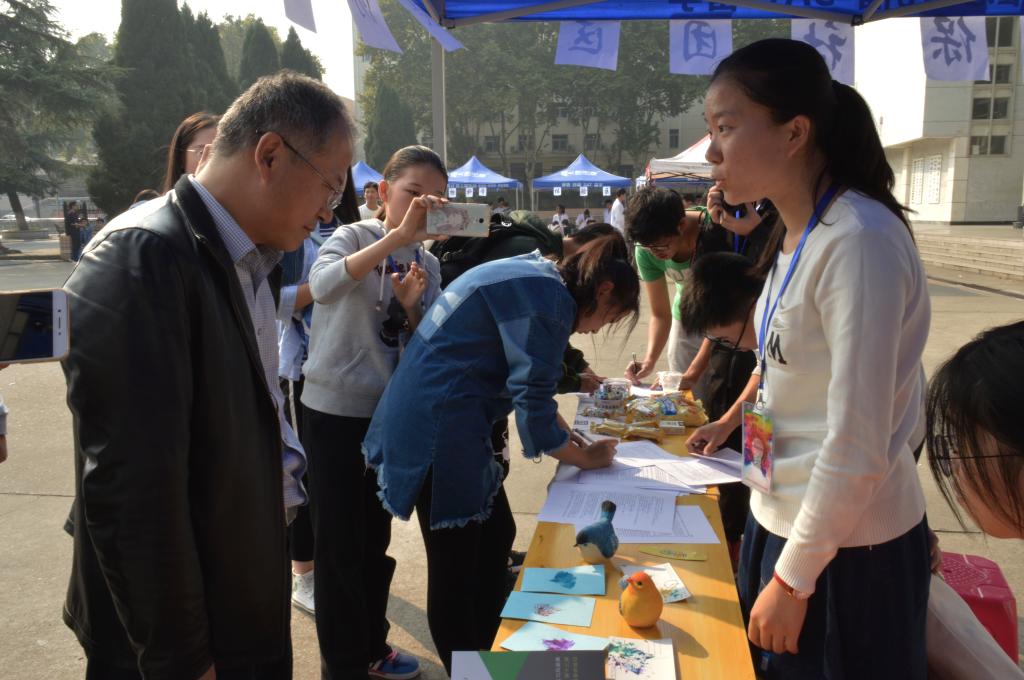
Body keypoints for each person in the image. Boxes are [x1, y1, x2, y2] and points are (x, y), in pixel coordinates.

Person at [61, 71, 352, 680]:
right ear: (269, 155)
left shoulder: (252, 257)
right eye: (330, 184)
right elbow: (134, 492)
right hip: (181, 633)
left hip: (238, 590)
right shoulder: (142, 257)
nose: (330, 209)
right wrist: (183, 659)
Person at [692, 39, 932, 679]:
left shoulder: (859, 241)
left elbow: (858, 438)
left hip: (844, 550)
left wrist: (794, 579)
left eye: (725, 127)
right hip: (782, 517)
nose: (711, 152)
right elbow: (778, 370)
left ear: (795, 132)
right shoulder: (795, 233)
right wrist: (737, 435)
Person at [362, 236, 637, 673]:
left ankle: (490, 650)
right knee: (456, 567)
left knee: (494, 539)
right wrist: (586, 459)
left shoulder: (542, 278)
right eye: (610, 316)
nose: (597, 329)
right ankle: (470, 668)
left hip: (446, 416)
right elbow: (533, 407)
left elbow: (529, 381)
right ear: (603, 291)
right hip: (439, 426)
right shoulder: (550, 301)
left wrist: (565, 434)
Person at [301, 145, 446, 680]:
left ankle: (370, 647)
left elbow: (431, 345)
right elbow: (321, 287)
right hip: (334, 413)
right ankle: (342, 666)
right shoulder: (351, 236)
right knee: (338, 548)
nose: (424, 207)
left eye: (437, 199)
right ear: (384, 193)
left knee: (374, 542)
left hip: (388, 418)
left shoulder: (430, 263)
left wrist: (412, 306)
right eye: (414, 193)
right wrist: (395, 237)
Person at [161, 111, 220, 193]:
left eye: (220, 153)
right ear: (181, 158)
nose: (212, 162)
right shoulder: (163, 201)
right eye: (202, 152)